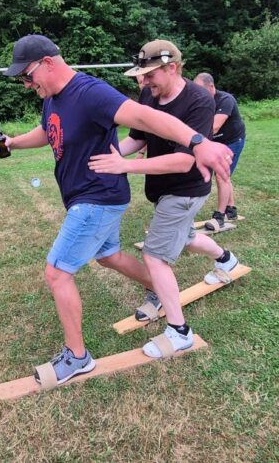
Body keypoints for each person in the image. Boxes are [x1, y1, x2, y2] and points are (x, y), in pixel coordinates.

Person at [0, 34, 234, 385]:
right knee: (109, 256)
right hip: (91, 196)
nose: (27, 84)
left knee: (57, 273)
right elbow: (48, 130)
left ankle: (77, 357)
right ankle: (158, 288)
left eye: (27, 76)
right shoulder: (53, 98)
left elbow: (145, 117)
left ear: (47, 63)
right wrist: (13, 143)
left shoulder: (89, 92)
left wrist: (197, 141)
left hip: (97, 197)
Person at [88, 39, 240, 359]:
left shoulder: (199, 102)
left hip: (186, 189)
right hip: (164, 188)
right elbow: (137, 137)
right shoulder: (149, 93)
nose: (144, 82)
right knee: (186, 237)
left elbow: (184, 161)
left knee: (155, 256)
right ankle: (226, 260)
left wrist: (124, 166)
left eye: (150, 75)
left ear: (173, 68)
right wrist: (107, 156)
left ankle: (179, 332)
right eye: (142, 76)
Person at [193, 73, 246, 228]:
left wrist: (191, 138)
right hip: (217, 143)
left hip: (233, 141)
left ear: (211, 87)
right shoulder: (202, 101)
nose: (199, 94)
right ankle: (231, 210)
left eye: (202, 90)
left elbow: (214, 127)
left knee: (222, 176)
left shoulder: (225, 100)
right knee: (225, 176)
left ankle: (219, 216)